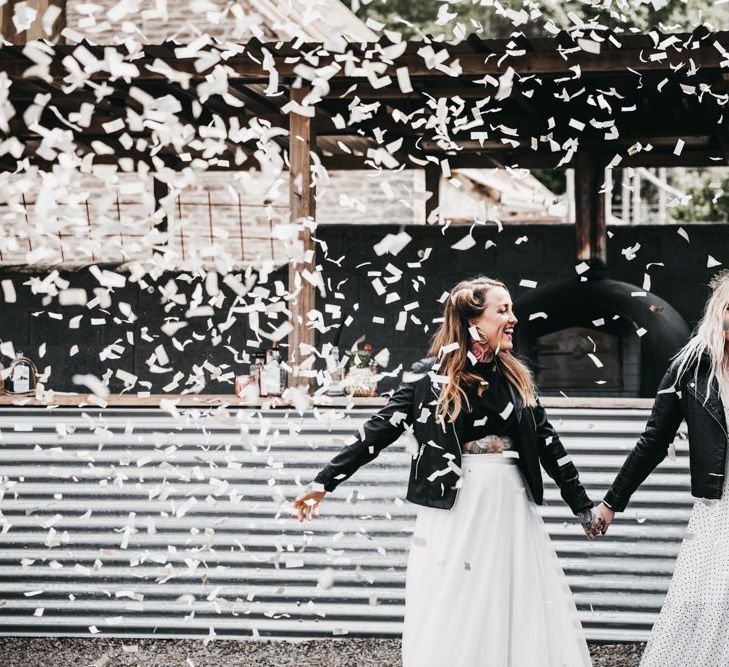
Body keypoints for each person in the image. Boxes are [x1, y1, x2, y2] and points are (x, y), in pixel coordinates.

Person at [293, 275, 598, 667]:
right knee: (458, 597)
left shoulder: (515, 376)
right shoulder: (429, 379)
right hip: (455, 509)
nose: (513, 319)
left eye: (511, 310)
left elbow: (548, 442)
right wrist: (323, 482)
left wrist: (581, 504)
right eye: (502, 311)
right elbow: (377, 432)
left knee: (512, 596)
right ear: (473, 322)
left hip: (509, 505)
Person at [594, 269, 729, 667]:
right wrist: (611, 502)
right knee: (705, 602)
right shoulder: (691, 368)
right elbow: (654, 441)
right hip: (719, 504)